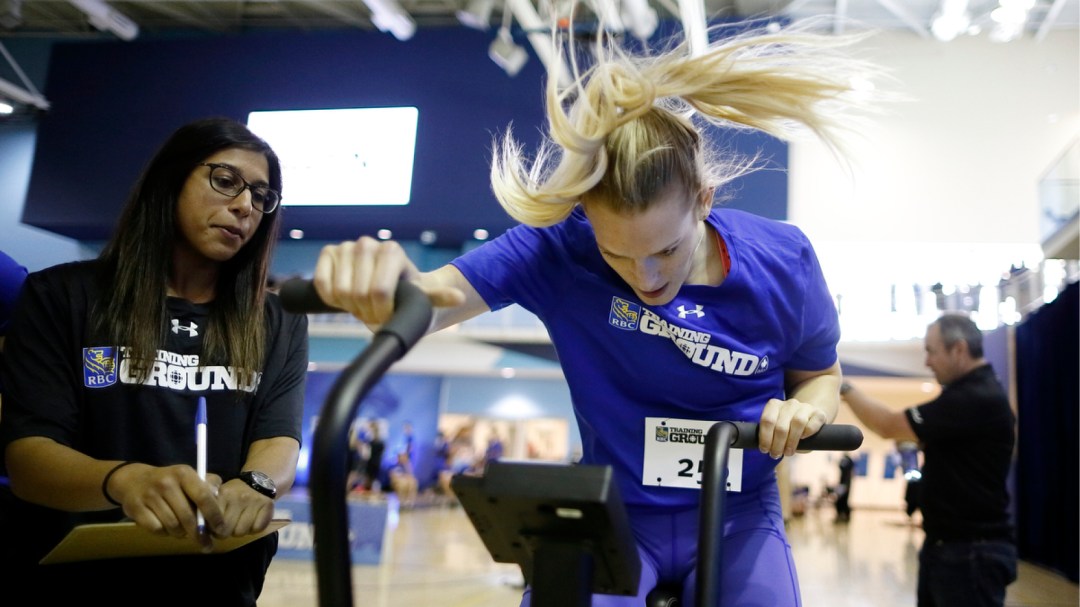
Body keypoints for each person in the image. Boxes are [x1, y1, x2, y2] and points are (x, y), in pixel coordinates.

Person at [308, 17, 880, 606]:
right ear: (586, 216)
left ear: (704, 202)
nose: (647, 278)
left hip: (739, 512)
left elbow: (819, 375)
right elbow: (427, 302)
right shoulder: (558, 247)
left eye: (667, 250)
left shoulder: (784, 261)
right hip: (616, 513)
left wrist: (804, 412)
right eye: (618, 255)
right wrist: (385, 283)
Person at [0, 117, 308, 606]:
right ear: (170, 180)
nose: (245, 206)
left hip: (218, 585)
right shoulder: (61, 296)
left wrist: (256, 485)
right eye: (225, 181)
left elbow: (278, 435)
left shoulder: (277, 319)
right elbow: (28, 458)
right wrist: (126, 482)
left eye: (261, 196)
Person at [840, 313, 1017, 607]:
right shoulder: (971, 396)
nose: (927, 361)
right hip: (950, 548)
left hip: (969, 555)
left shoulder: (975, 397)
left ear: (958, 349)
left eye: (931, 351)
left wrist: (843, 388)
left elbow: (888, 425)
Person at [834, 453, 854, 522]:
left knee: (844, 501)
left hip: (845, 485)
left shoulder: (849, 465)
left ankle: (846, 516)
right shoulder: (844, 471)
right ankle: (840, 515)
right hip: (842, 484)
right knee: (839, 501)